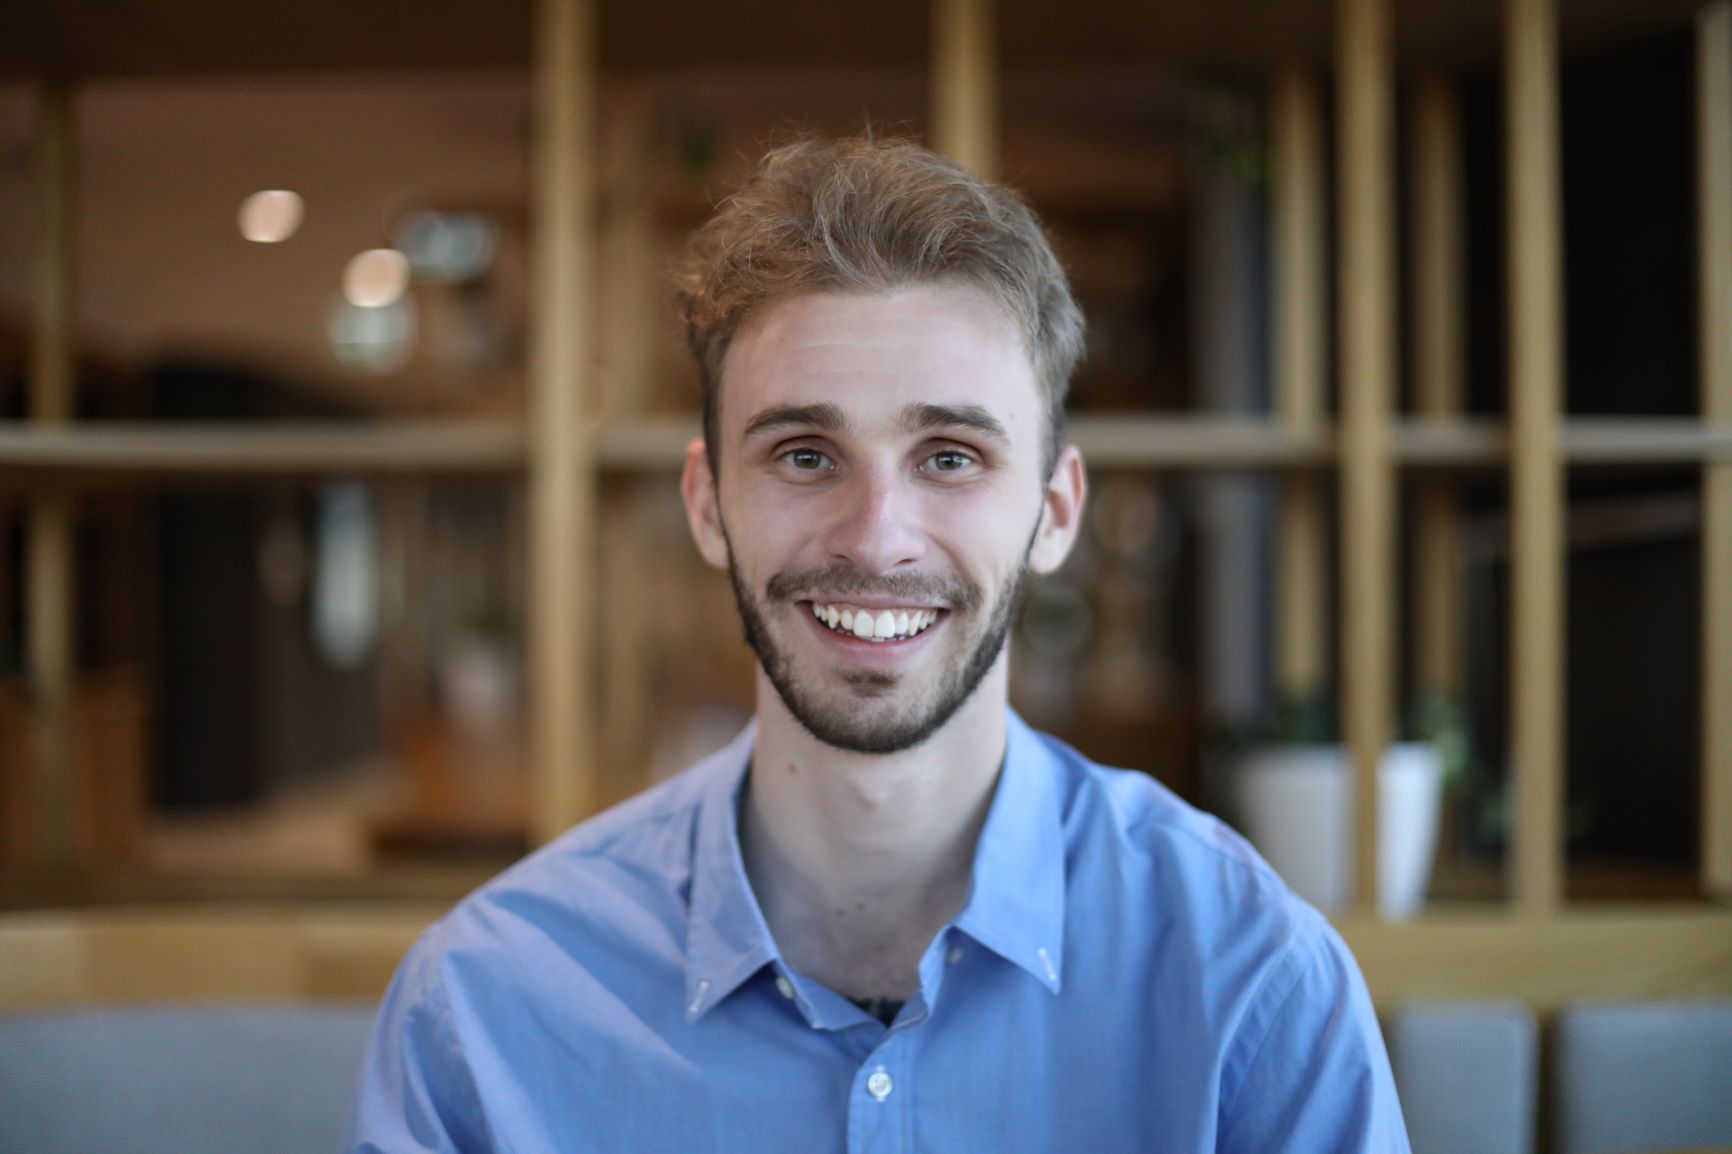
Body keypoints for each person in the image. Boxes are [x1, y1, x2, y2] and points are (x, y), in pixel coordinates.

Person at [343, 136, 1410, 1153]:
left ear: (1054, 510)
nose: (875, 536)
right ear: (707, 503)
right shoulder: (488, 1004)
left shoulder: (1250, 981)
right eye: (805, 454)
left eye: (949, 456)